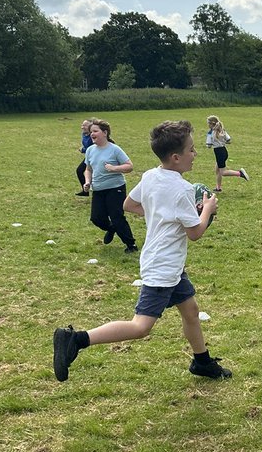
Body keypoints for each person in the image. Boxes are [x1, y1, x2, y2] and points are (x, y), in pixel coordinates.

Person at [53, 120, 231, 383]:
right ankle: (77, 339)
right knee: (141, 327)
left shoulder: (150, 176)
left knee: (190, 310)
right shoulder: (182, 188)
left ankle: (201, 361)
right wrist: (207, 210)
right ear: (175, 157)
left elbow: (129, 204)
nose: (195, 154)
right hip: (163, 268)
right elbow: (195, 233)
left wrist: (164, 215)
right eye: (191, 150)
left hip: (166, 263)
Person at [83, 119, 138, 252]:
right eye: (91, 132)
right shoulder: (90, 150)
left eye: (95, 131)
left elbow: (129, 166)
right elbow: (88, 169)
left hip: (115, 188)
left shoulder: (114, 149)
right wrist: (87, 181)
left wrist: (114, 168)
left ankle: (131, 245)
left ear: (105, 133)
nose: (92, 134)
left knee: (117, 217)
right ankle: (111, 228)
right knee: (96, 218)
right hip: (98, 188)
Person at [205, 116, 248, 192]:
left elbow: (208, 145)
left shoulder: (210, 132)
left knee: (223, 172)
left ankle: (240, 173)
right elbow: (229, 140)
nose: (207, 125)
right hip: (224, 151)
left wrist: (212, 144)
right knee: (217, 170)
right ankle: (218, 188)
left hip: (218, 153)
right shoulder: (222, 130)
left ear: (211, 124)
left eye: (208, 123)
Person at [74, 119, 94, 197]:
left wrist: (83, 149)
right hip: (88, 156)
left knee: (83, 171)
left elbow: (93, 147)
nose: (82, 127)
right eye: (82, 125)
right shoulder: (84, 134)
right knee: (80, 171)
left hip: (94, 157)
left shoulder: (93, 135)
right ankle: (85, 190)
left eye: (85, 125)